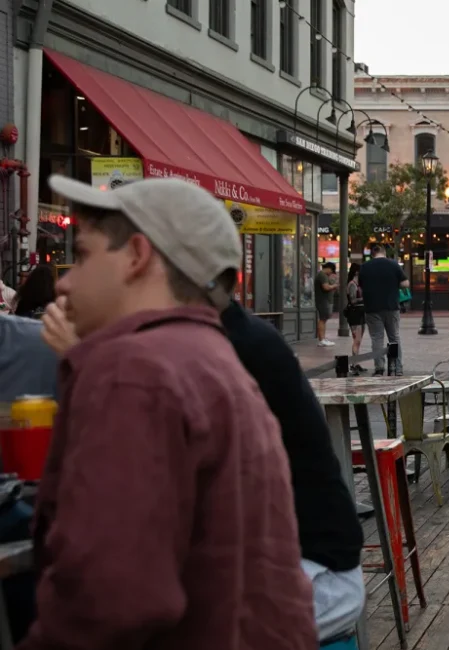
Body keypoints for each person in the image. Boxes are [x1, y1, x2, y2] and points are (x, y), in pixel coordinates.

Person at [27, 175, 316, 648]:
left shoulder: (132, 371)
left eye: (82, 255)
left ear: (137, 255)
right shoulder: (211, 357)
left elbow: (109, 597)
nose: (64, 281)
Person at [360, 244, 409, 376]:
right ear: (384, 253)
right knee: (394, 337)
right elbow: (405, 283)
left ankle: (379, 368)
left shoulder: (365, 266)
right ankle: (397, 368)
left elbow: (361, 285)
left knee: (377, 338)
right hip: (391, 306)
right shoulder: (393, 264)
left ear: (372, 254)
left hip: (372, 307)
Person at [345, 263, 366, 375]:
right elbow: (353, 300)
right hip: (354, 313)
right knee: (356, 340)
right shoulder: (352, 284)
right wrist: (364, 298)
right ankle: (353, 364)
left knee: (359, 340)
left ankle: (356, 362)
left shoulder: (359, 284)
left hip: (361, 313)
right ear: (357, 272)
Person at [314, 262, 338, 347]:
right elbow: (326, 287)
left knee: (323, 319)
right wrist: (334, 286)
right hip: (323, 301)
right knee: (322, 319)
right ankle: (321, 340)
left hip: (324, 301)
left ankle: (323, 339)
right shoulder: (322, 275)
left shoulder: (323, 275)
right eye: (331, 271)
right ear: (328, 268)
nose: (331, 273)